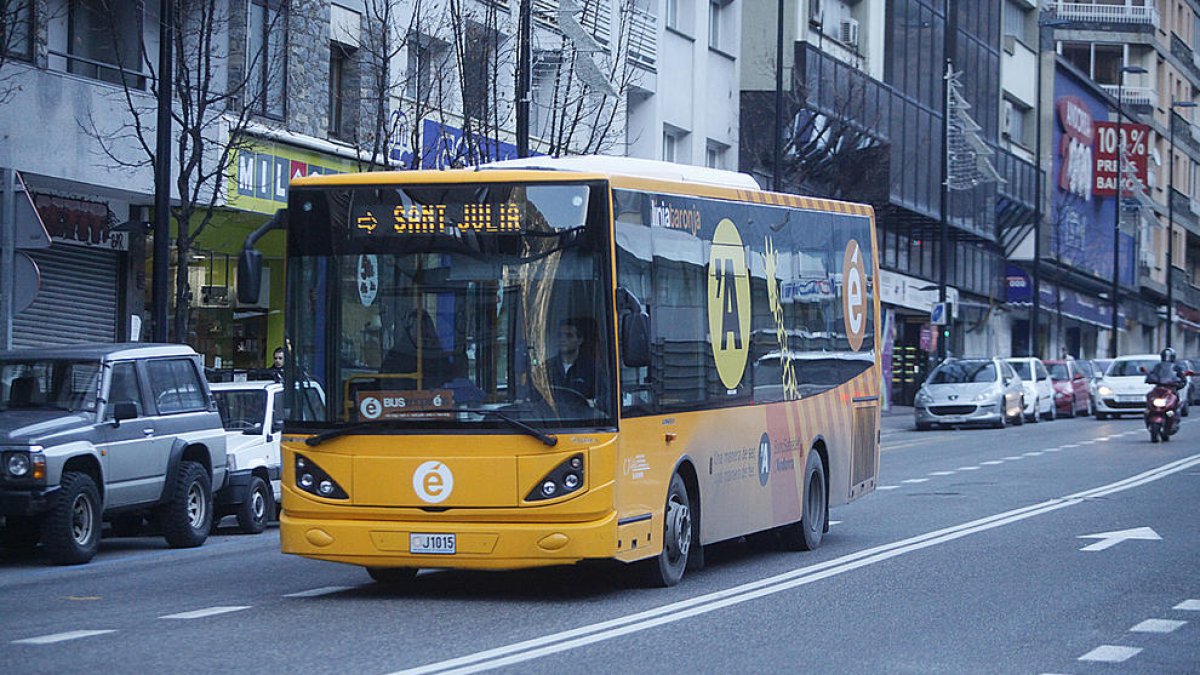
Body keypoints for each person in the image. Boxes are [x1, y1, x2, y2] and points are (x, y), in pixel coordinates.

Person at [544, 318, 597, 401]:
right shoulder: (547, 368)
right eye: (560, 335)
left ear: (580, 340)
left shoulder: (592, 369)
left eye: (569, 335)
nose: (562, 339)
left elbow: (602, 398)